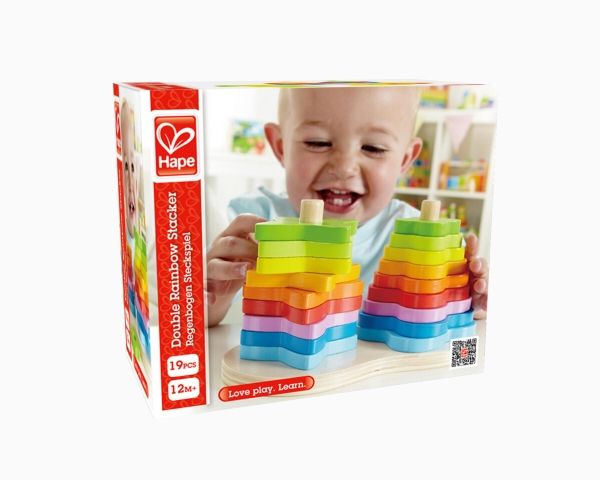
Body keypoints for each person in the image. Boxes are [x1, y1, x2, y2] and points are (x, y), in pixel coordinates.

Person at [206, 86, 488, 326]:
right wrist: (209, 302)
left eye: (374, 148)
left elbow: (453, 334)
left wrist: (464, 302)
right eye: (317, 142)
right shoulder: (248, 228)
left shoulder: (420, 240)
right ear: (280, 147)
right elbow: (202, 326)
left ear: (404, 160)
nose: (344, 167)